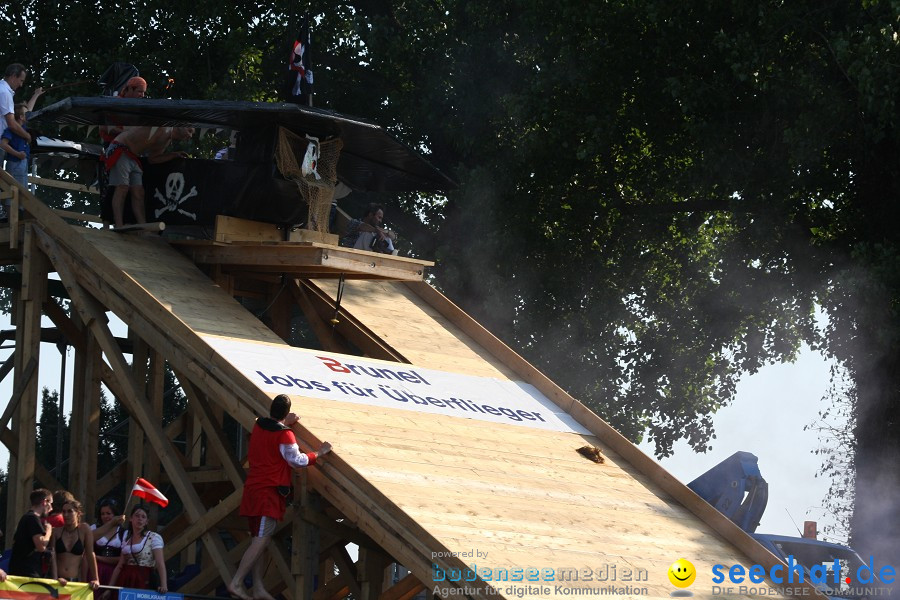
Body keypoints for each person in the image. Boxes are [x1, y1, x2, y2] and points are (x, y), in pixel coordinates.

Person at [227, 394, 332, 600]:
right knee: (261, 539)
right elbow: (297, 460)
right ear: (285, 413)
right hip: (269, 492)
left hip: (254, 489)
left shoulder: (259, 425)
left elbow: (272, 429)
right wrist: (319, 453)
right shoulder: (285, 435)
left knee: (259, 538)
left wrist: (285, 422)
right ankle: (237, 582)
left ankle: (257, 587)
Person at [105, 123, 193, 228]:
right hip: (120, 147)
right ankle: (118, 225)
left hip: (133, 156)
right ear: (181, 125)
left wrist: (173, 155)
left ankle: (144, 228)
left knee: (139, 193)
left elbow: (152, 159)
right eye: (190, 130)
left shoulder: (166, 140)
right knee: (122, 187)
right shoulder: (163, 126)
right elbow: (148, 139)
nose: (190, 135)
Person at [108, 505, 167, 593]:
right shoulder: (126, 538)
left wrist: (163, 585)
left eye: (143, 517)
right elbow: (119, 566)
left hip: (143, 579)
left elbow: (160, 562)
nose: (140, 519)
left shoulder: (154, 537)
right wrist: (109, 589)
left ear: (146, 522)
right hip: (125, 579)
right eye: (137, 515)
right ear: (131, 519)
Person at [50, 499, 100, 590]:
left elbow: (90, 554)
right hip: (58, 581)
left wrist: (96, 579)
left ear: (78, 513)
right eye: (64, 511)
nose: (66, 515)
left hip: (74, 581)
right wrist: (55, 578)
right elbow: (52, 556)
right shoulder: (56, 532)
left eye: (70, 511)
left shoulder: (84, 529)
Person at [8, 488, 53, 577]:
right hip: (28, 573)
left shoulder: (26, 517)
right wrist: (48, 531)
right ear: (44, 502)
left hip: (20, 570)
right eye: (50, 504)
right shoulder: (33, 518)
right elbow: (41, 546)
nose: (51, 508)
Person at [92, 498, 127, 585]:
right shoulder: (94, 528)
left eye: (108, 513)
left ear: (115, 514)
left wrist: (98, 558)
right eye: (102, 514)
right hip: (96, 571)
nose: (105, 516)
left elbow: (122, 559)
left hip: (114, 573)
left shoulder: (124, 533)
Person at [0, 104, 31, 190]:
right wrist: (17, 154)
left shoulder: (23, 129)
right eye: (27, 114)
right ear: (21, 117)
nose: (29, 115)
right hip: (15, 163)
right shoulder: (11, 129)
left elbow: (29, 108)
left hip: (22, 162)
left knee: (23, 190)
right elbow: (3, 144)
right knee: (16, 192)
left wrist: (36, 94)